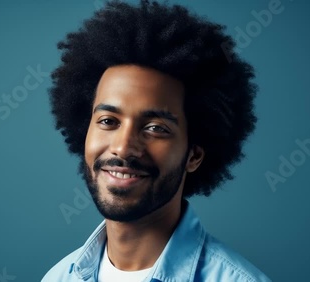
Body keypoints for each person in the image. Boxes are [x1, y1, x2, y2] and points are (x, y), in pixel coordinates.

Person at [42, 0, 271, 281]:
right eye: (108, 121)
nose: (123, 147)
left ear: (194, 155)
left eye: (155, 128)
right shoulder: (59, 277)